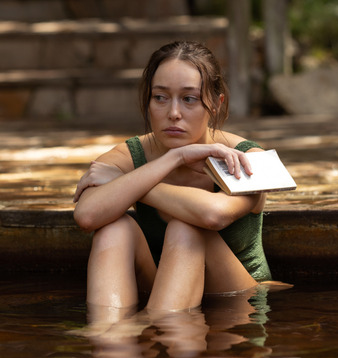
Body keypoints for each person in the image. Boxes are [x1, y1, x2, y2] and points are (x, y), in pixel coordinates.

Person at [72, 40, 272, 314]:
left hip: (236, 303)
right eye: (160, 98)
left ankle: (157, 328)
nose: (173, 113)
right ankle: (110, 333)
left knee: (185, 227)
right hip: (164, 294)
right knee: (113, 230)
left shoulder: (248, 158)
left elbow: (213, 215)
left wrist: (135, 184)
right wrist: (174, 158)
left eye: (189, 99)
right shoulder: (129, 155)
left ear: (216, 104)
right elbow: (87, 215)